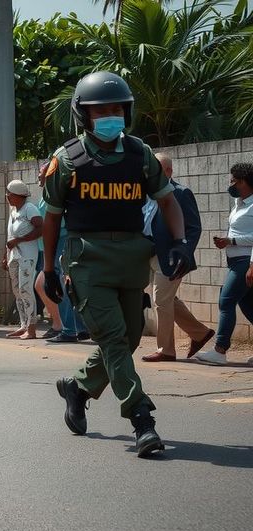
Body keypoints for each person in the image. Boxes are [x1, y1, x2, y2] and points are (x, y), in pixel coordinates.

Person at [44, 71, 190, 458]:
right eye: (100, 111)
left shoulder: (140, 154)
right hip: (87, 260)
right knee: (112, 338)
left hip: (131, 259)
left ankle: (77, 387)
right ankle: (142, 419)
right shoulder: (66, 160)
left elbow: (168, 201)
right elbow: (52, 218)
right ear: (83, 116)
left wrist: (179, 242)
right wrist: (48, 269)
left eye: (117, 109)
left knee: (128, 336)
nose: (110, 116)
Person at [142, 154, 212, 362]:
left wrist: (184, 251)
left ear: (169, 172)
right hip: (149, 255)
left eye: (157, 170)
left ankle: (166, 350)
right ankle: (200, 333)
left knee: (160, 300)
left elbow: (193, 228)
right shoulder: (144, 194)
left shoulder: (181, 193)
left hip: (171, 257)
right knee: (168, 299)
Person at [195, 162, 253, 366]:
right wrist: (226, 241)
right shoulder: (239, 203)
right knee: (247, 305)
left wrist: (232, 242)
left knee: (226, 300)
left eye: (234, 181)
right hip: (235, 260)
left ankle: (220, 350)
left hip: (246, 261)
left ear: (245, 181)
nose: (231, 184)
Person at [35, 161, 90, 344]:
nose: (39, 176)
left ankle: (69, 329)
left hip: (63, 240)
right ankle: (79, 327)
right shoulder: (46, 194)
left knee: (62, 284)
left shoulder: (60, 192)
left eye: (42, 173)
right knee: (64, 285)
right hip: (53, 245)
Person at [1, 180, 42, 339]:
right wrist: (6, 256)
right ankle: (23, 325)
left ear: (18, 196)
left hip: (27, 256)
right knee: (17, 291)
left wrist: (19, 240)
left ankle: (31, 328)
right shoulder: (13, 211)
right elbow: (10, 237)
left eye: (9, 194)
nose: (7, 197)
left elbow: (41, 228)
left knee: (25, 289)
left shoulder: (29, 209)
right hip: (15, 256)